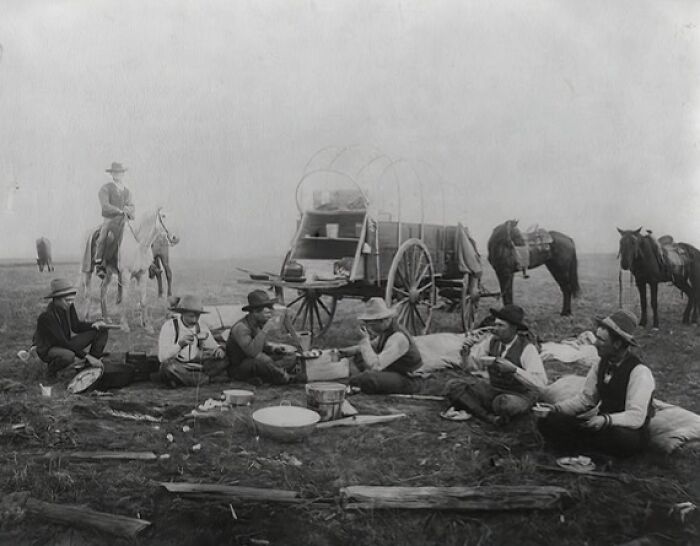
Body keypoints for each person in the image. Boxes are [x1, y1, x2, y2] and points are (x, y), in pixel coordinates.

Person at [537, 310, 655, 458]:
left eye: (601, 340)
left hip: (627, 431)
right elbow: (586, 400)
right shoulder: (600, 364)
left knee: (618, 437)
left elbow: (636, 416)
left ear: (617, 344)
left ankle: (581, 449)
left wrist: (606, 420)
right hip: (600, 425)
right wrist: (556, 408)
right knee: (549, 420)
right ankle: (588, 450)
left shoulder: (639, 372)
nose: (595, 343)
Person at [443, 304, 547, 425]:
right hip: (494, 389)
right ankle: (489, 417)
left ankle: (475, 408)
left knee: (504, 404)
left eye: (500, 325)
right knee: (454, 386)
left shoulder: (527, 348)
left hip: (519, 394)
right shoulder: (492, 341)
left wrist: (514, 370)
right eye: (495, 324)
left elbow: (541, 383)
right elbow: (471, 367)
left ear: (513, 328)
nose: (495, 329)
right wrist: (465, 353)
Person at [339, 298, 423, 395]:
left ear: (383, 320)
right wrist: (344, 352)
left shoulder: (398, 338)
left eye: (371, 323)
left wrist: (364, 340)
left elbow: (376, 366)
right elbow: (373, 345)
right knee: (359, 356)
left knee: (366, 378)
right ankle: (368, 382)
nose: (369, 327)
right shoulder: (386, 331)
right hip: (393, 370)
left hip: (409, 379)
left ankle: (361, 384)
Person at [33, 278, 109, 378]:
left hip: (65, 344)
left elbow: (76, 327)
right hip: (49, 349)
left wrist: (94, 324)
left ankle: (90, 366)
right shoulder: (47, 317)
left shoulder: (69, 307)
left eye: (72, 300)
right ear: (56, 299)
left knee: (101, 330)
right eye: (67, 300)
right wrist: (87, 356)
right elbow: (63, 341)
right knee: (68, 356)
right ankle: (50, 371)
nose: (70, 303)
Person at [225, 290, 296, 385]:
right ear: (255, 312)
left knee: (290, 356)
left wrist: (274, 349)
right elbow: (253, 353)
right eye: (265, 312)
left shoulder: (257, 323)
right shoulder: (241, 327)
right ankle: (283, 377)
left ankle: (271, 374)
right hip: (241, 366)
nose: (269, 314)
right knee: (260, 363)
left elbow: (262, 346)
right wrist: (265, 329)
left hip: (259, 360)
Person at [158, 295, 228, 387]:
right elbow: (162, 357)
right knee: (168, 367)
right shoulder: (170, 326)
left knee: (225, 361)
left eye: (197, 316)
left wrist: (218, 350)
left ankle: (183, 380)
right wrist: (180, 345)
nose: (194, 320)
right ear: (182, 313)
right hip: (178, 364)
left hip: (196, 365)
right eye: (191, 316)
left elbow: (213, 345)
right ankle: (206, 379)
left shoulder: (201, 326)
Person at [94, 162, 135, 279]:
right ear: (111, 174)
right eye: (115, 172)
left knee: (137, 235)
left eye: (120, 172)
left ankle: (146, 263)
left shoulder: (127, 191)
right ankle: (100, 263)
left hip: (124, 220)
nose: (118, 174)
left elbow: (131, 205)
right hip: (110, 219)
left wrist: (130, 211)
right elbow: (105, 205)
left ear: (123, 174)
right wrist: (119, 211)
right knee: (105, 236)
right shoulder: (106, 188)